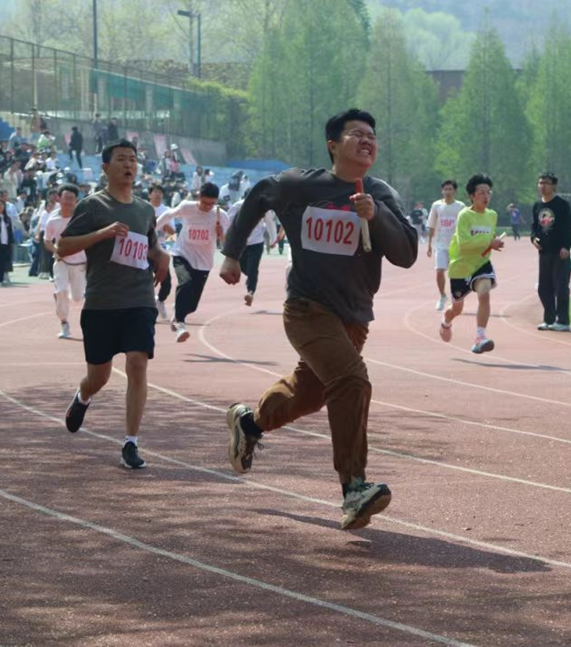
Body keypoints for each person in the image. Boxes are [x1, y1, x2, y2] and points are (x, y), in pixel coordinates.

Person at [219, 108, 418, 530]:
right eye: (356, 134)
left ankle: (249, 422)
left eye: (372, 136)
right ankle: (354, 488)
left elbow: (406, 254)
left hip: (354, 319)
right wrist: (232, 253)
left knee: (308, 396)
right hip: (307, 310)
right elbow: (258, 196)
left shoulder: (381, 195)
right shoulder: (302, 186)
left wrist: (376, 217)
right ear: (333, 144)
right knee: (352, 381)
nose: (367, 141)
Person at [56, 139, 170, 469]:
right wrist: (102, 234)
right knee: (99, 377)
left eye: (133, 160)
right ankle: (83, 397)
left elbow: (150, 246)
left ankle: (130, 443)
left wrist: (161, 256)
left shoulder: (144, 209)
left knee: (137, 363)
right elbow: (63, 246)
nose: (128, 165)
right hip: (102, 303)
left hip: (138, 299)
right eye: (121, 159)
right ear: (106, 168)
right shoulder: (93, 206)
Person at [439, 174, 505, 353]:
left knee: (484, 294)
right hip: (460, 268)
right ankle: (446, 321)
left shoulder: (492, 215)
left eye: (488, 192)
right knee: (457, 309)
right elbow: (465, 245)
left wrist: (495, 242)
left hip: (481, 264)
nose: (486, 196)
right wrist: (489, 242)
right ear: (472, 196)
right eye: (481, 192)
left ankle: (480, 337)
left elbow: (488, 239)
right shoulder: (464, 216)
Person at [157, 182, 229, 342]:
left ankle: (179, 312)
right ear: (198, 197)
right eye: (205, 202)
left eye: (212, 203)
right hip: (182, 254)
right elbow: (169, 215)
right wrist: (150, 229)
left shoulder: (220, 216)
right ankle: (179, 323)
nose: (208, 207)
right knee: (186, 282)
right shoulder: (187, 207)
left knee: (192, 306)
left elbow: (227, 243)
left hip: (204, 262)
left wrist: (221, 234)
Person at [531, 172, 571, 332]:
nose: (543, 186)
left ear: (554, 185)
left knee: (561, 287)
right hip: (544, 253)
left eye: (546, 183)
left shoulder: (562, 204)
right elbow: (534, 227)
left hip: (560, 252)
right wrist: (533, 238)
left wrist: (566, 247)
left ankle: (563, 321)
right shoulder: (537, 205)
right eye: (540, 182)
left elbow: (569, 228)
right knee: (544, 288)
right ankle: (549, 319)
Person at [43, 184, 85, 339]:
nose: (68, 201)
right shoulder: (52, 220)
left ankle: (64, 297)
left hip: (80, 262)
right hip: (61, 262)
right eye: (65, 198)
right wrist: (57, 251)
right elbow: (47, 241)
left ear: (76, 200)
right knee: (61, 292)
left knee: (78, 297)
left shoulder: (81, 217)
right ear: (58, 198)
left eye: (72, 198)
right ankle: (64, 323)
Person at [228, 196, 277, 307]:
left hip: (256, 243)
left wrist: (273, 239)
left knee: (253, 269)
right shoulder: (237, 206)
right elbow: (228, 221)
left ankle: (250, 292)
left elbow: (270, 223)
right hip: (241, 243)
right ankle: (250, 277)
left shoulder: (264, 207)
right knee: (244, 268)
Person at [426, 180, 464, 312]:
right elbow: (431, 225)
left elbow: (464, 226)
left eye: (450, 189)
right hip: (440, 244)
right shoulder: (436, 205)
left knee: (455, 274)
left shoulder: (460, 206)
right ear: (442, 191)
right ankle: (442, 296)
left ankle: (456, 298)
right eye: (446, 189)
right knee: (439, 271)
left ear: (455, 191)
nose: (448, 192)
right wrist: (429, 245)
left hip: (456, 245)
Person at [148, 183, 173, 320]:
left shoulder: (167, 211)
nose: (158, 194)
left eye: (160, 192)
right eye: (155, 192)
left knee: (167, 283)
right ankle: (149, 308)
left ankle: (160, 301)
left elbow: (173, 233)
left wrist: (162, 222)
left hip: (161, 251)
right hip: (145, 251)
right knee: (146, 281)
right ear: (149, 194)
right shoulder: (144, 208)